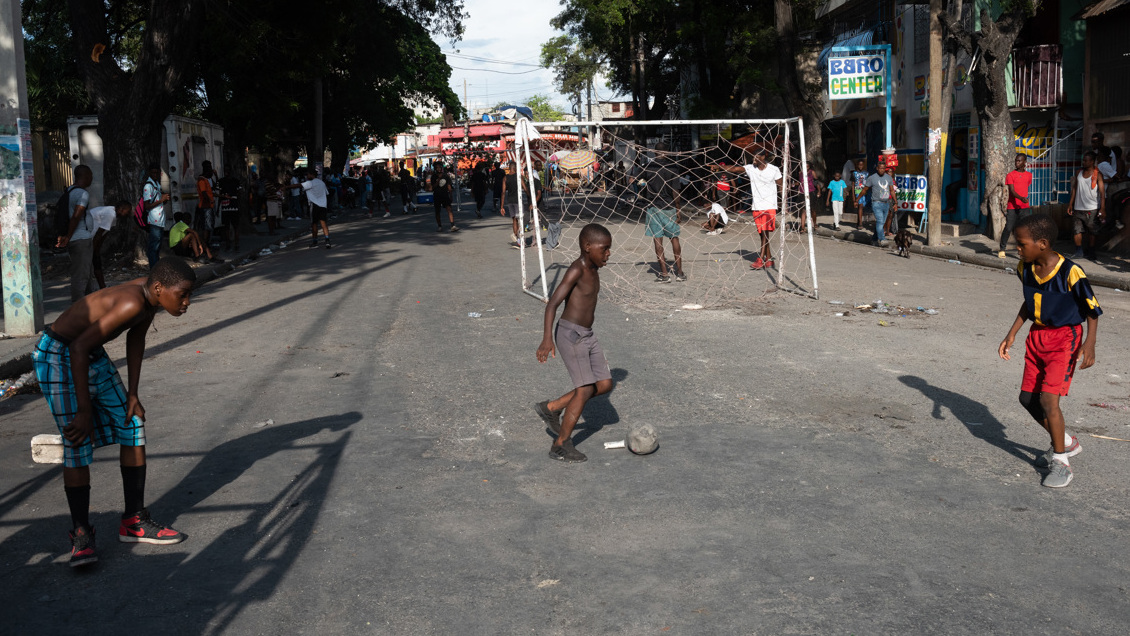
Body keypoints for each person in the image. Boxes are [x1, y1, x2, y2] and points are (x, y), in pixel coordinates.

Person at [31, 257, 196, 567]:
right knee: (78, 442)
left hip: (88, 353)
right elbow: (76, 348)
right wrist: (83, 410)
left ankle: (134, 521)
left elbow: (136, 338)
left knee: (132, 422)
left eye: (189, 295)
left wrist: (133, 394)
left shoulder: (149, 298)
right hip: (58, 353)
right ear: (160, 288)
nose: (187, 302)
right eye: (183, 294)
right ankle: (81, 535)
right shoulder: (132, 303)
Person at [998, 214, 1101, 488]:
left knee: (1048, 401)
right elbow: (1029, 303)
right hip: (1037, 337)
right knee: (1026, 398)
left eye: (1021, 244)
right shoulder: (1025, 268)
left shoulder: (1070, 272)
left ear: (1042, 243)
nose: (1017, 249)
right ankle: (1067, 442)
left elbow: (1092, 310)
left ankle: (1061, 462)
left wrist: (1089, 344)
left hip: (1065, 339)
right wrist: (1012, 333)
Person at [534, 223, 614, 463]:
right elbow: (552, 304)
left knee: (605, 384)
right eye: (605, 249)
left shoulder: (594, 268)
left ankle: (551, 407)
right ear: (588, 247)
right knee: (585, 389)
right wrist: (547, 339)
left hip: (587, 334)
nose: (608, 253)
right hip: (571, 336)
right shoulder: (576, 269)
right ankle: (560, 445)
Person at [715, 148, 782, 269]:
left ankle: (761, 258)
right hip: (756, 206)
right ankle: (770, 259)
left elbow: (781, 185)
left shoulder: (774, 169)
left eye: (756, 157)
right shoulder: (751, 168)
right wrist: (719, 167)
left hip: (769, 206)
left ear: (763, 157)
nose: (753, 159)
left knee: (766, 232)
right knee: (762, 234)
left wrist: (783, 203)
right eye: (752, 157)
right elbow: (735, 169)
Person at [641, 145, 685, 281]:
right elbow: (675, 191)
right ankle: (680, 273)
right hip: (669, 207)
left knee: (658, 240)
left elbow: (633, 179)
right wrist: (678, 209)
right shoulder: (673, 168)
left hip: (653, 207)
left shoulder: (649, 167)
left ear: (654, 152)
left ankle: (665, 274)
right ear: (666, 152)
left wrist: (644, 184)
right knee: (674, 238)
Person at [56, 165, 97, 301]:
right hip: (80, 239)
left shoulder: (70, 191)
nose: (91, 179)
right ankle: (77, 309)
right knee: (81, 276)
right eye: (90, 176)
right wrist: (68, 236)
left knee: (87, 274)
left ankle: (92, 305)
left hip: (77, 239)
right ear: (85, 176)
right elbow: (76, 216)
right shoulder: (82, 194)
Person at [1066, 151, 1105, 260]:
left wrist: (1102, 208)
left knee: (1092, 231)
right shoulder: (1079, 172)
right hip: (1078, 207)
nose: (1083, 162)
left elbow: (1102, 193)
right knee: (1077, 230)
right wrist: (1070, 204)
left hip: (1092, 207)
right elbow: (1074, 188)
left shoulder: (1098, 174)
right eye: (1083, 160)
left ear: (1092, 161)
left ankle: (1091, 251)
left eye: (1086, 160)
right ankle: (1079, 251)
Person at [88, 201, 133, 289]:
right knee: (91, 264)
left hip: (92, 239)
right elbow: (99, 234)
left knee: (97, 263)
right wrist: (92, 250)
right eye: (128, 211)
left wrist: (97, 250)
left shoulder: (114, 216)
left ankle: (102, 287)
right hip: (88, 236)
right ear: (121, 209)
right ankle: (97, 288)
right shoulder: (110, 214)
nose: (128, 213)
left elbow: (104, 234)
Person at [999, 153, 1034, 258]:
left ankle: (1024, 250)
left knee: (1025, 228)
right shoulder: (1010, 175)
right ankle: (1002, 248)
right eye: (1016, 161)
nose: (1017, 163)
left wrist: (1024, 200)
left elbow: (1026, 186)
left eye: (1019, 161)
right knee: (1009, 227)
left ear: (1024, 162)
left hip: (1024, 207)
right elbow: (1012, 191)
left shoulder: (1029, 175)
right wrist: (1021, 198)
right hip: (1012, 206)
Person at [857, 162, 897, 246]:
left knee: (881, 223)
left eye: (883, 168)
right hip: (876, 203)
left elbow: (892, 190)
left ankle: (874, 239)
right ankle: (882, 239)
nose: (882, 170)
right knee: (880, 221)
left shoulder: (889, 178)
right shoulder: (872, 178)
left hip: (886, 203)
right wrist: (857, 199)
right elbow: (865, 190)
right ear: (877, 168)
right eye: (880, 168)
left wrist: (895, 202)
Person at [142, 164, 170, 269]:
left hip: (160, 219)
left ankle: (156, 268)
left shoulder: (156, 184)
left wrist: (164, 200)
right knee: (153, 247)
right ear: (149, 173)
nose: (155, 174)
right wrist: (161, 200)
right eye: (153, 172)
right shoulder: (148, 186)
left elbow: (159, 202)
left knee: (157, 246)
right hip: (154, 220)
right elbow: (147, 206)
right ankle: (154, 269)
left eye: (157, 173)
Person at [300, 169, 333, 249]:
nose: (307, 176)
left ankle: (315, 242)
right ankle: (327, 240)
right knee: (323, 224)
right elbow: (327, 193)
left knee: (314, 224)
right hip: (323, 205)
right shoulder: (322, 183)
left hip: (314, 205)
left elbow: (298, 185)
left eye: (307, 175)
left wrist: (286, 187)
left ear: (311, 175)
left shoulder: (310, 183)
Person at [431, 162, 458, 232]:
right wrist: (438, 180)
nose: (438, 169)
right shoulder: (433, 177)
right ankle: (439, 226)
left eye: (439, 167)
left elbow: (449, 186)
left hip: (445, 195)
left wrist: (451, 195)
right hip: (437, 195)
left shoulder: (446, 176)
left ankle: (453, 225)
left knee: (449, 209)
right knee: (437, 211)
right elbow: (432, 187)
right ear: (435, 169)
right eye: (437, 168)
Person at [195, 160, 215, 248]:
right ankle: (205, 246)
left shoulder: (206, 179)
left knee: (209, 227)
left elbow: (214, 187)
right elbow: (203, 192)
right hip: (205, 206)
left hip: (208, 206)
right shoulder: (202, 179)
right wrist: (210, 200)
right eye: (210, 168)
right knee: (206, 227)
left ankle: (207, 245)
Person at [851, 159, 869, 229]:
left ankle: (858, 221)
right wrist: (853, 196)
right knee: (860, 206)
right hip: (857, 191)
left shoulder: (866, 174)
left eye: (862, 165)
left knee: (861, 207)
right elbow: (853, 185)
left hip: (864, 191)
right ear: (857, 165)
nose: (860, 166)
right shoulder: (854, 174)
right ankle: (860, 223)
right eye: (859, 165)